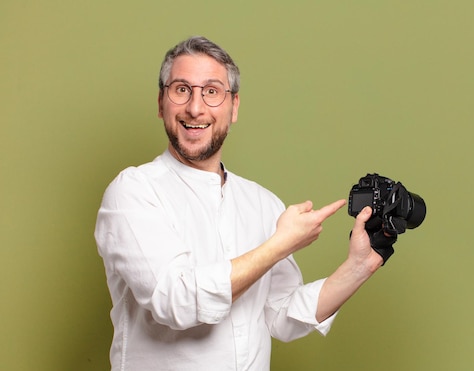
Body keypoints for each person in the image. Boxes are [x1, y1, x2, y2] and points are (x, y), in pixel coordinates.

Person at [95, 36, 383, 371]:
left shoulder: (261, 202)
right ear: (161, 103)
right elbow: (177, 301)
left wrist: (359, 266)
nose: (196, 108)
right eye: (181, 89)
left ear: (234, 107)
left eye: (212, 91)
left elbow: (282, 316)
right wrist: (278, 246)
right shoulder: (133, 191)